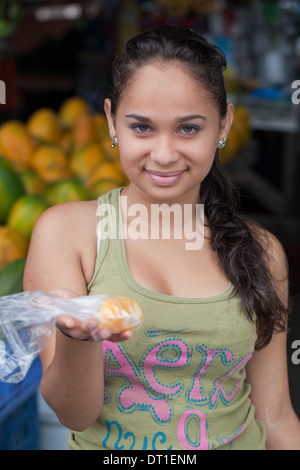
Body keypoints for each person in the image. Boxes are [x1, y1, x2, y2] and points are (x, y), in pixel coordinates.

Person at [23, 24, 300, 450]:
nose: (165, 153)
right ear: (112, 120)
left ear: (223, 124)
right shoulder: (67, 234)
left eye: (189, 128)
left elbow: (276, 415)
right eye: (142, 128)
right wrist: (79, 339)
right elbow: (73, 414)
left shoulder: (261, 253)